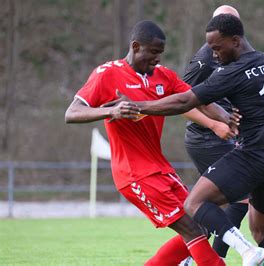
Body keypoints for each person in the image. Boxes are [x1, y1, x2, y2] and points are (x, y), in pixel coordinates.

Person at [113, 14, 264, 265]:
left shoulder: (232, 72)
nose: (214, 54)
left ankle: (244, 251)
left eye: (216, 47)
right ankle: (250, 249)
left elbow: (185, 101)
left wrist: (137, 106)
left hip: (253, 153)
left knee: (194, 202)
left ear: (235, 41)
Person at [64, 20, 225, 266]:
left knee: (202, 225)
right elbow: (72, 113)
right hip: (134, 174)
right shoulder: (107, 74)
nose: (157, 59)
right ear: (136, 46)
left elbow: (197, 99)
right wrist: (111, 112)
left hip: (161, 169)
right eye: (153, 52)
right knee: (192, 230)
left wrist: (227, 118)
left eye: (160, 53)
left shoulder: (164, 76)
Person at [182, 5, 249, 262]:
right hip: (205, 139)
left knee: (214, 205)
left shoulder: (234, 54)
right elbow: (181, 103)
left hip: (224, 138)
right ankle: (211, 259)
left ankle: (193, 255)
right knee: (240, 199)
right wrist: (215, 124)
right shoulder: (205, 58)